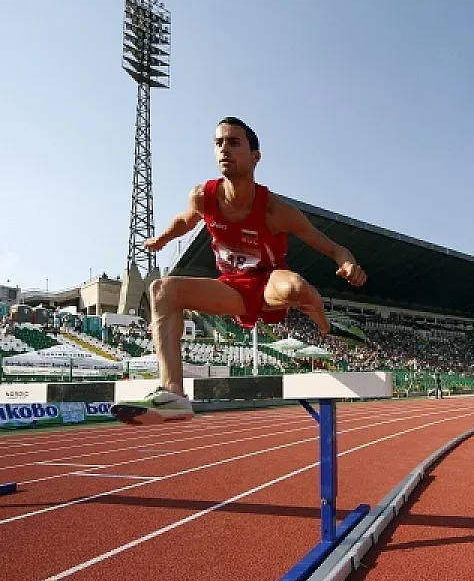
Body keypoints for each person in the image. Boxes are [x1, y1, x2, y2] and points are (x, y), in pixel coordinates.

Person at [111, 117, 367, 425]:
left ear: (255, 156)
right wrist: (163, 238)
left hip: (268, 282)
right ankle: (173, 395)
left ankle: (325, 325)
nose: (224, 150)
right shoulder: (203, 196)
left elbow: (331, 247)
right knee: (161, 290)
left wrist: (348, 263)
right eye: (218, 143)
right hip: (232, 288)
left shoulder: (275, 210)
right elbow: (185, 220)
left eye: (233, 143)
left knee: (296, 288)